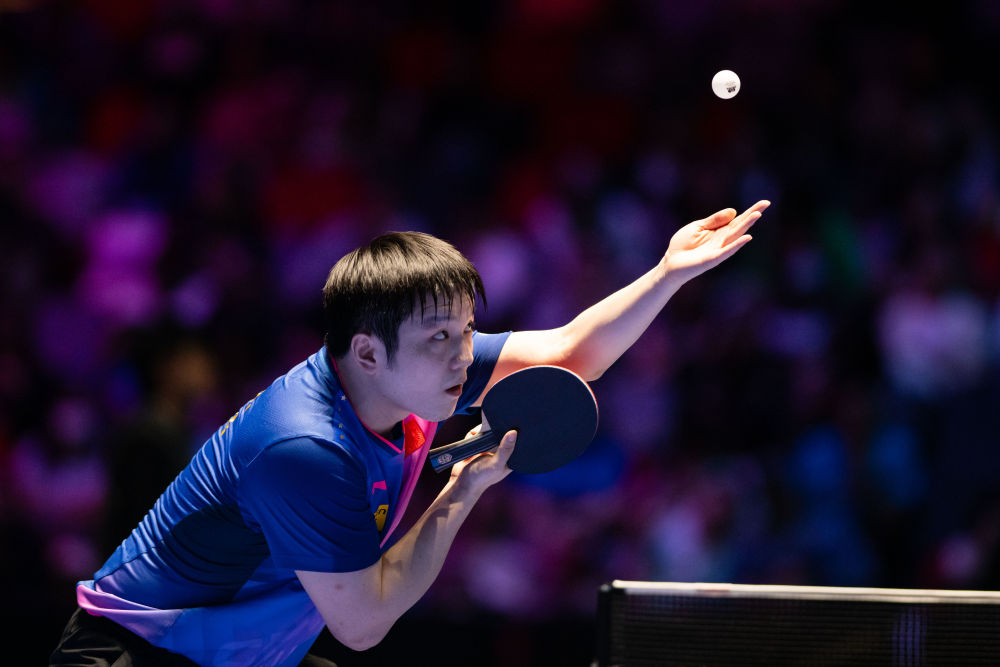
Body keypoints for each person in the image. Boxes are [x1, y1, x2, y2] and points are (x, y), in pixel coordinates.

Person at [50, 201, 769, 666]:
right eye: (439, 337)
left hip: (244, 652)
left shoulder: (415, 377)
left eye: (466, 330)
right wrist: (463, 491)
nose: (464, 354)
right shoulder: (307, 449)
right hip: (141, 651)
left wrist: (667, 274)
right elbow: (364, 624)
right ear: (367, 351)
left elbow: (571, 352)